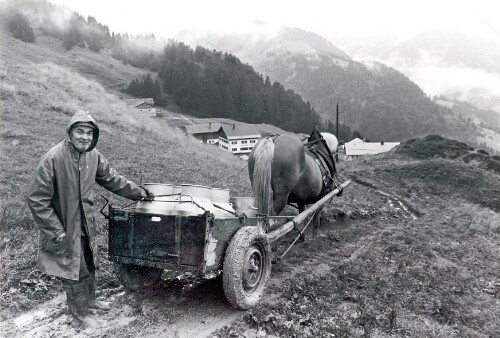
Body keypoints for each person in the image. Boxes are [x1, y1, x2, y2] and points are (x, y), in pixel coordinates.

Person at [27, 109, 153, 329]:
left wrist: (138, 192)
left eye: (89, 133)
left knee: (88, 261)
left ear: (94, 136)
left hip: (86, 223)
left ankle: (91, 301)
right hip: (64, 227)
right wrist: (56, 230)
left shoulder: (93, 156)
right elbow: (37, 199)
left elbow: (112, 178)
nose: (84, 137)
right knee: (72, 270)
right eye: (80, 131)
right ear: (70, 133)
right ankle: (79, 317)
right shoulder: (53, 158)